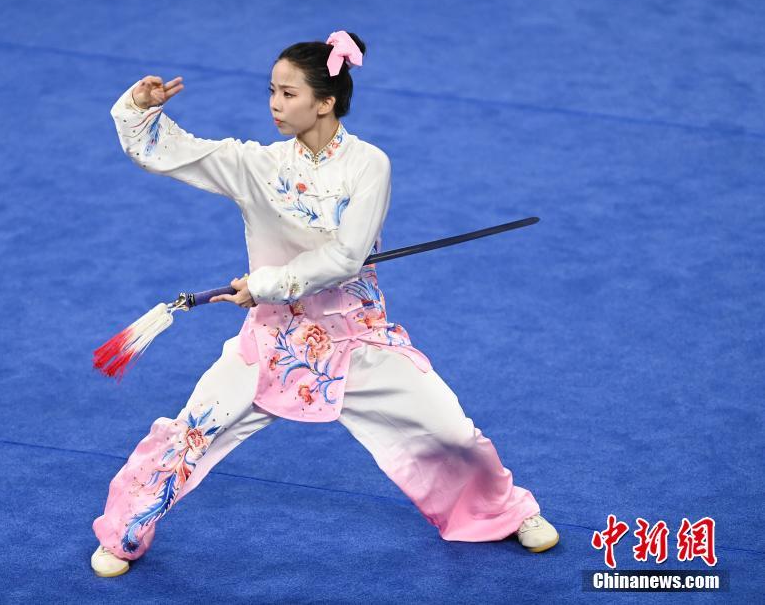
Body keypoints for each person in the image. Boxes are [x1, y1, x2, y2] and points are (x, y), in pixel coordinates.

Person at [90, 30, 559, 578]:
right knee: (191, 431)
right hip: (271, 341)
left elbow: (345, 256)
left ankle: (503, 512)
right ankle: (123, 530)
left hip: (358, 338)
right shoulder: (256, 164)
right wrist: (139, 111)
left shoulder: (369, 166)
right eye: (271, 90)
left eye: (288, 94)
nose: (274, 104)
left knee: (452, 432)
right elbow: (173, 154)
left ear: (326, 101)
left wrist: (265, 283)